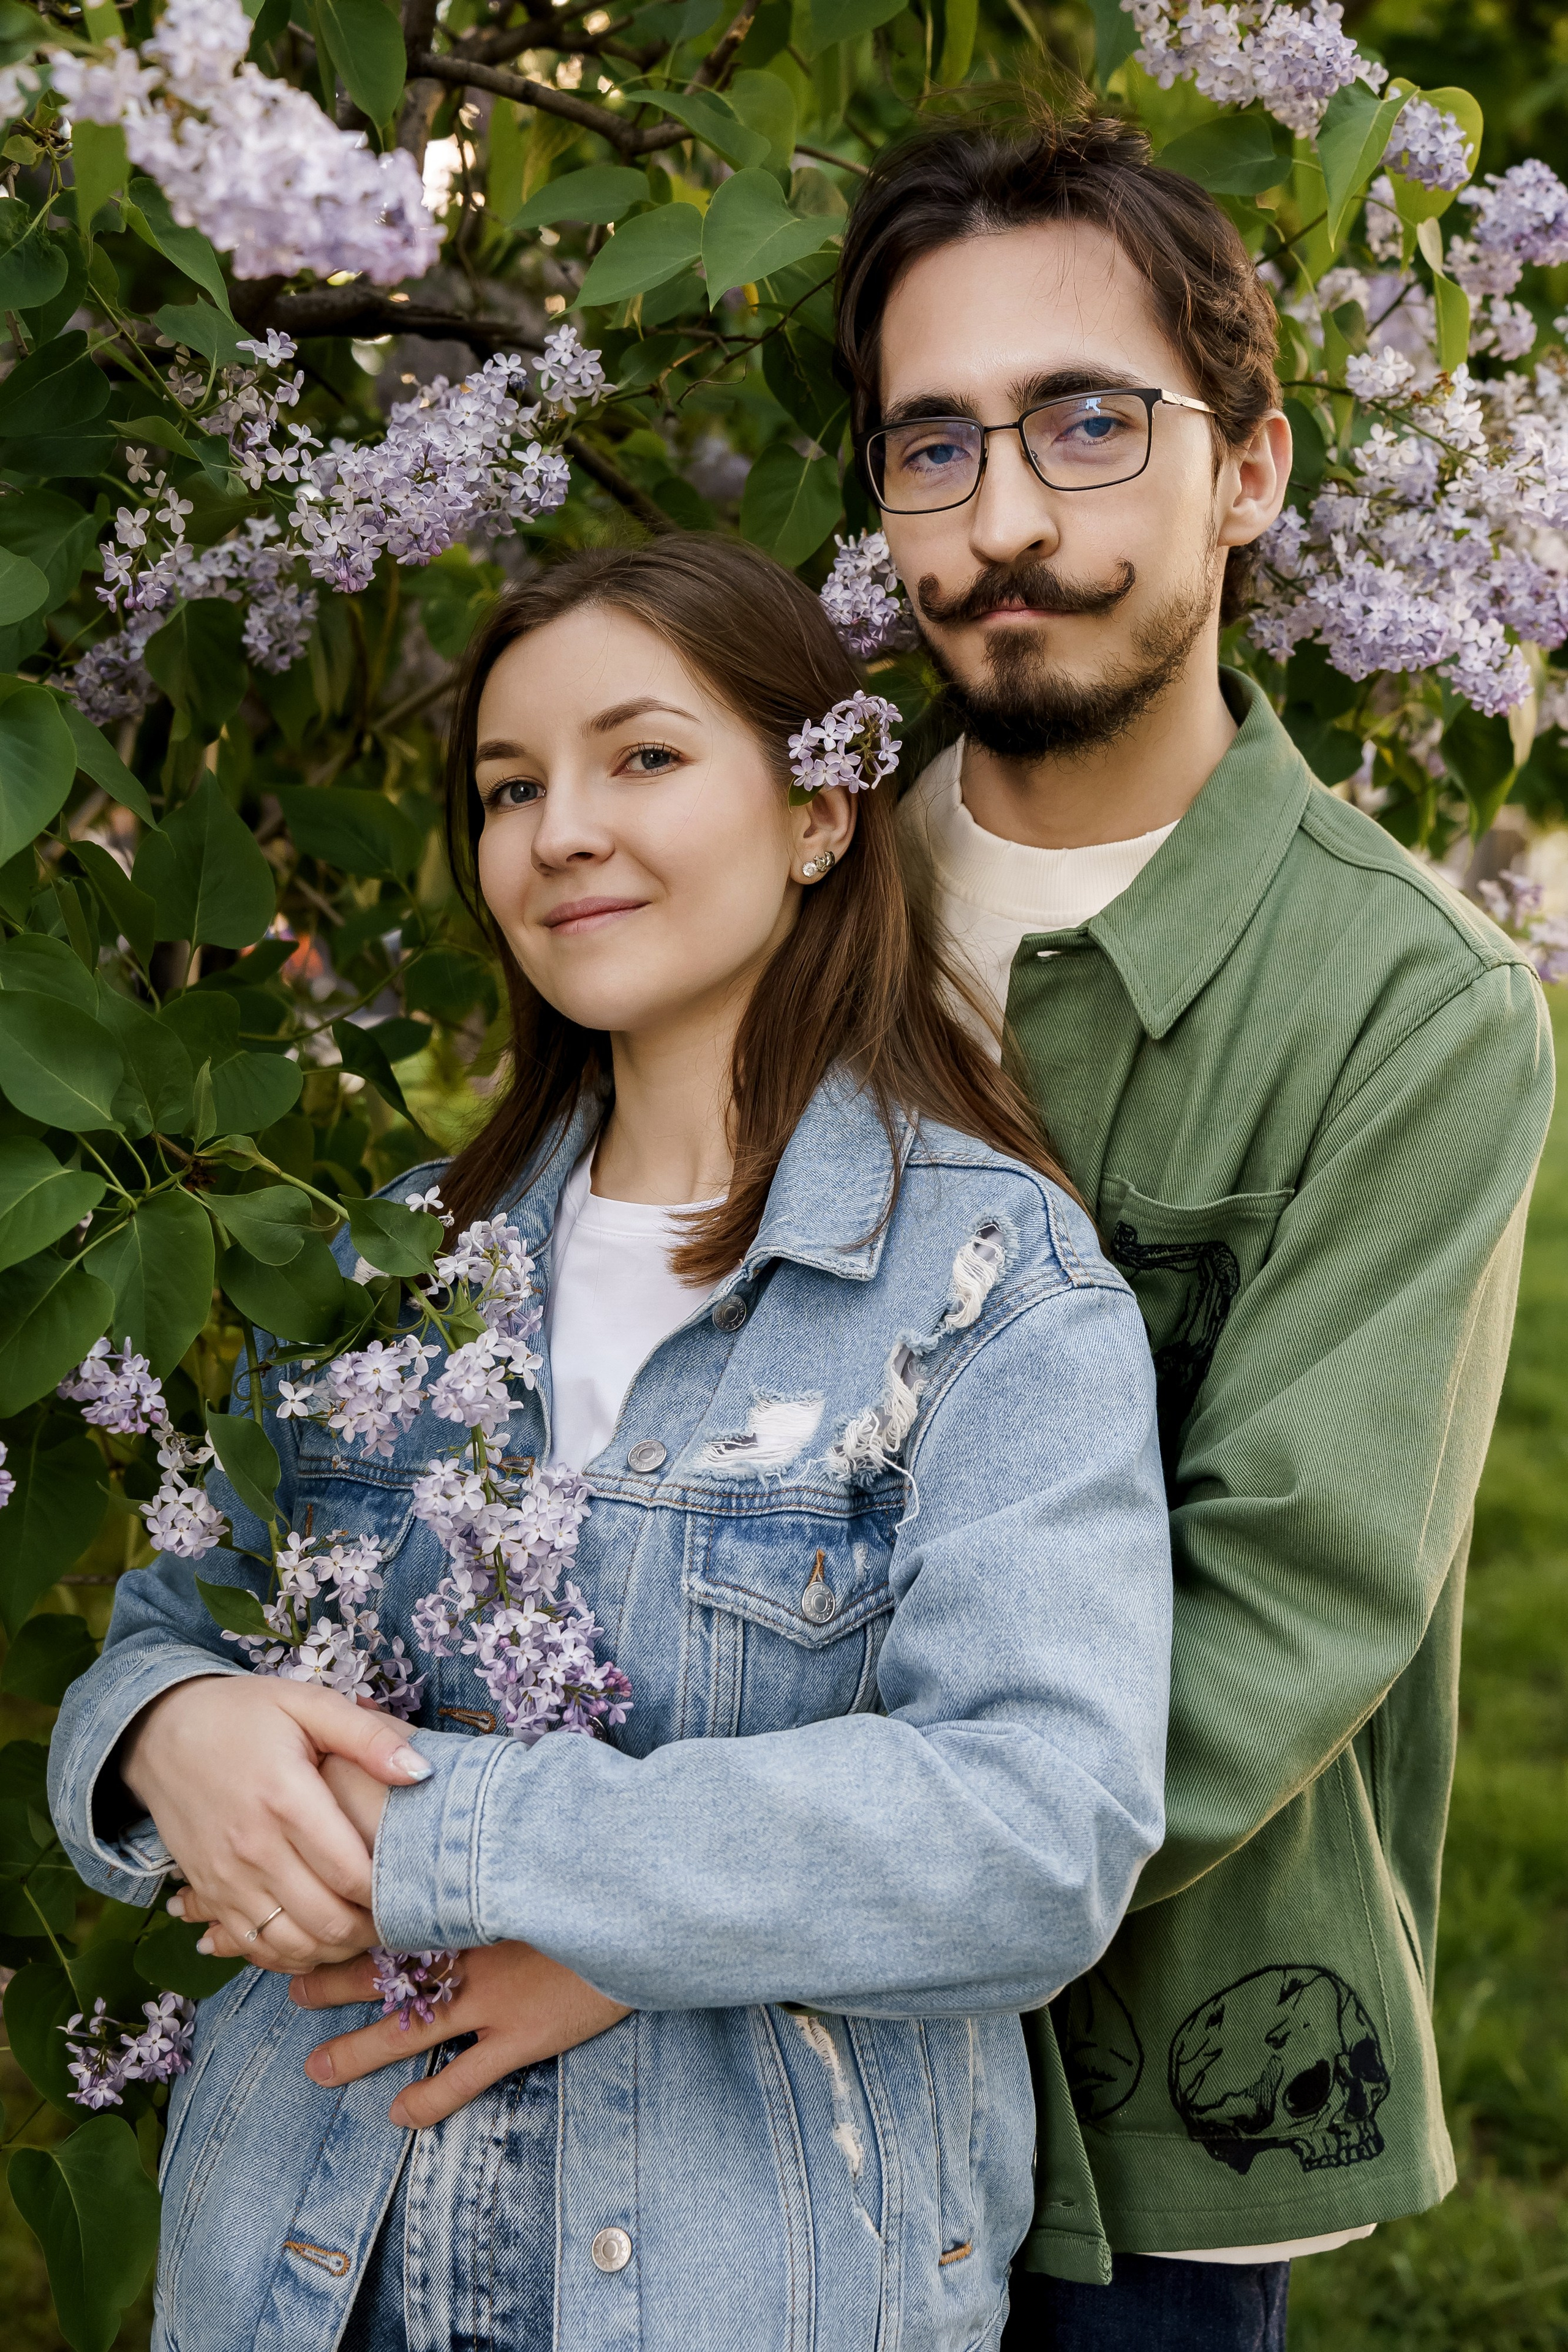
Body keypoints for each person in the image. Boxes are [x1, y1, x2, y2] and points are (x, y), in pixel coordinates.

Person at [51, 535, 1174, 2352]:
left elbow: (1040, 1831)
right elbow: (173, 1634)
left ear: (820, 815)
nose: (559, 830)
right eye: (510, 787)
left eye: (641, 757)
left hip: (745, 2279)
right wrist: (164, 1733)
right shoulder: (379, 1266)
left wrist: (467, 1845)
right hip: (298, 2263)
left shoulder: (982, 1285)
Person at [833, 107, 1557, 2351]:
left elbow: (1283, 1610)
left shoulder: (1412, 1011)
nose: (1006, 519)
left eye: (1083, 422)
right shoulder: (774, 890)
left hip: (1134, 2116)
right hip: (687, 2070)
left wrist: (730, 1900)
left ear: (1247, 467)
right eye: (933, 446)